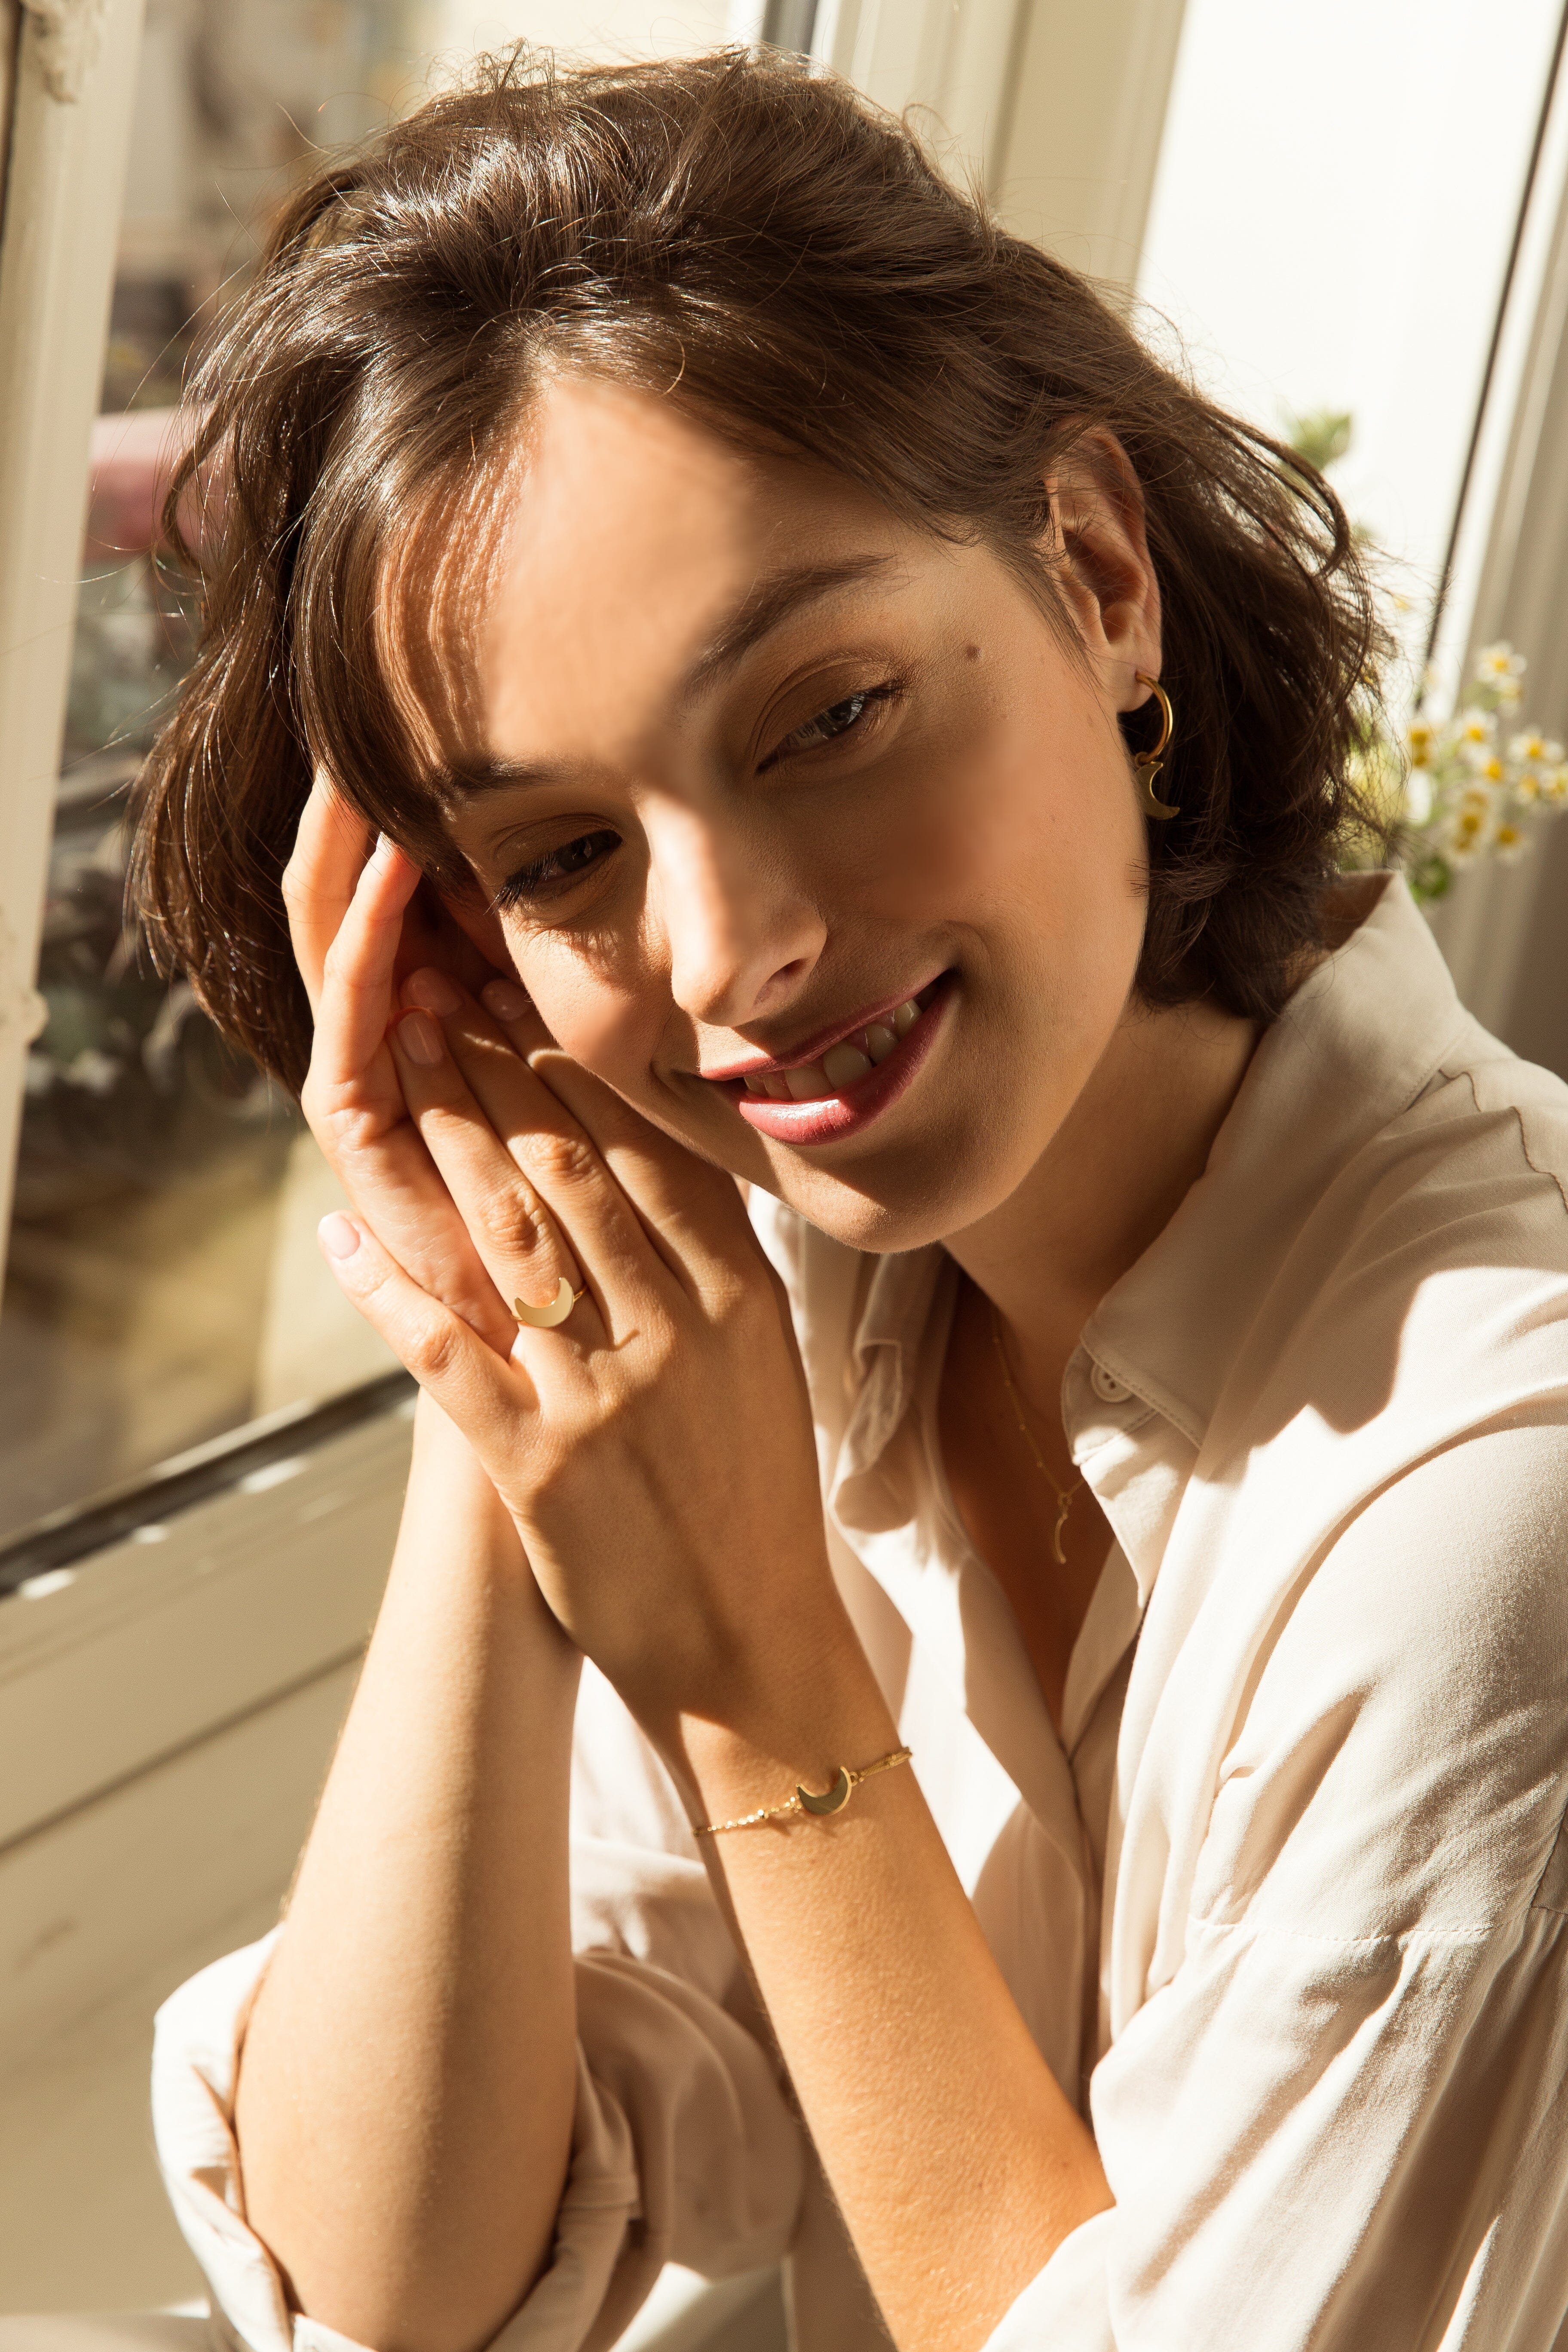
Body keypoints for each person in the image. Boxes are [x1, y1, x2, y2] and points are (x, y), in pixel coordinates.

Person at [130, 44, 1568, 2352]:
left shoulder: (1487, 1516)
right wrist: (496, 1318)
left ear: (1103, 582)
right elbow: (395, 2281)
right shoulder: (806, 1325)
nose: (728, 955)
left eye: (824, 718)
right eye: (564, 854)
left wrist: (772, 1694)